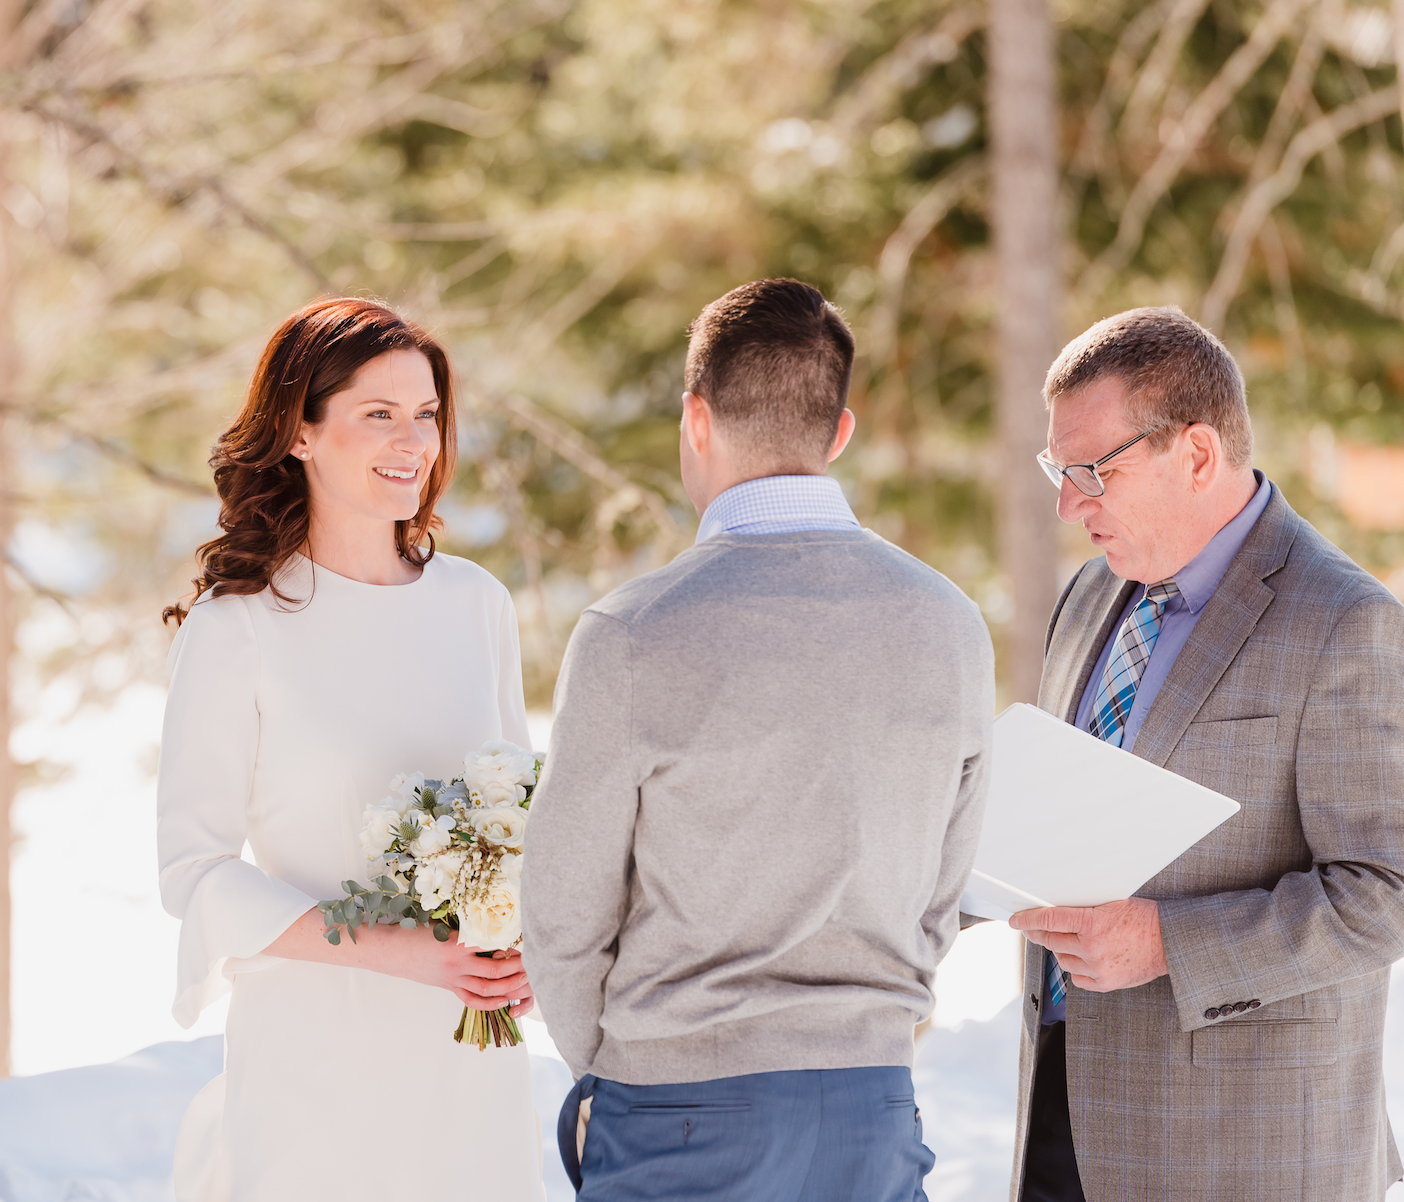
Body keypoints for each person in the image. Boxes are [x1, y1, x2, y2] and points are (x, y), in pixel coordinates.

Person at [521, 278, 995, 1202]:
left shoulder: (633, 631)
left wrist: (616, 1062)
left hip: (675, 1104)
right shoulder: (950, 624)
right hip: (872, 1105)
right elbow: (948, 880)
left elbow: (564, 905)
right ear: (841, 432)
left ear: (695, 420)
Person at [1007, 306, 1404, 1202]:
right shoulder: (1090, 594)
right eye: (1056, 470)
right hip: (1063, 1126)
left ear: (1193, 454)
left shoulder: (1345, 622)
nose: (1069, 504)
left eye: (1091, 472)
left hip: (1242, 1153)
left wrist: (1167, 944)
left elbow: (1387, 893)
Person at [156, 297, 543, 1201]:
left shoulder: (477, 604)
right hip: (314, 1069)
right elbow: (198, 872)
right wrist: (404, 952)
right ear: (298, 430)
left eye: (428, 415)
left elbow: (517, 824)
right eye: (379, 414)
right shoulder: (238, 628)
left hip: (469, 1064)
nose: (414, 440)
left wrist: (522, 949)